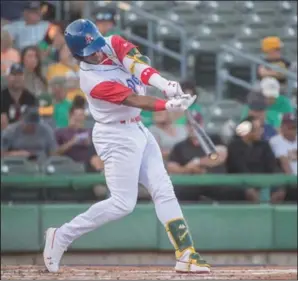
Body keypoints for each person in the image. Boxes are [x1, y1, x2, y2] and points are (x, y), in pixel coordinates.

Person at [43, 19, 209, 274]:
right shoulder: (91, 80)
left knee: (163, 188)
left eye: (97, 46)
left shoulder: (112, 43)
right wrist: (167, 105)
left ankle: (186, 253)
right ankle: (61, 236)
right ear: (78, 55)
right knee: (122, 203)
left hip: (137, 129)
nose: (98, 52)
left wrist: (166, 85)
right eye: (90, 52)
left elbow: (138, 66)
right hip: (114, 135)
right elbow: (133, 98)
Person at [226, 116, 280, 203]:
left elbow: (271, 166)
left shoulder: (264, 145)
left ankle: (271, 212)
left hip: (263, 181)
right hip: (242, 181)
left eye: (261, 128)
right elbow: (240, 169)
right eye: (257, 129)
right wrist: (253, 185)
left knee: (280, 190)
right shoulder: (234, 146)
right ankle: (260, 213)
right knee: (250, 192)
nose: (261, 131)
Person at [269, 114, 297, 202]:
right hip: (287, 179)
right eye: (289, 127)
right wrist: (293, 181)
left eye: (294, 127)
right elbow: (284, 163)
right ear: (282, 127)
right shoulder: (276, 141)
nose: (292, 129)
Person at [1, 63, 37, 130]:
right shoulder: (2, 96)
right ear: (7, 77)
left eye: (20, 75)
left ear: (24, 77)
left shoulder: (31, 98)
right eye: (14, 75)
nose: (17, 78)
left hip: (25, 135)